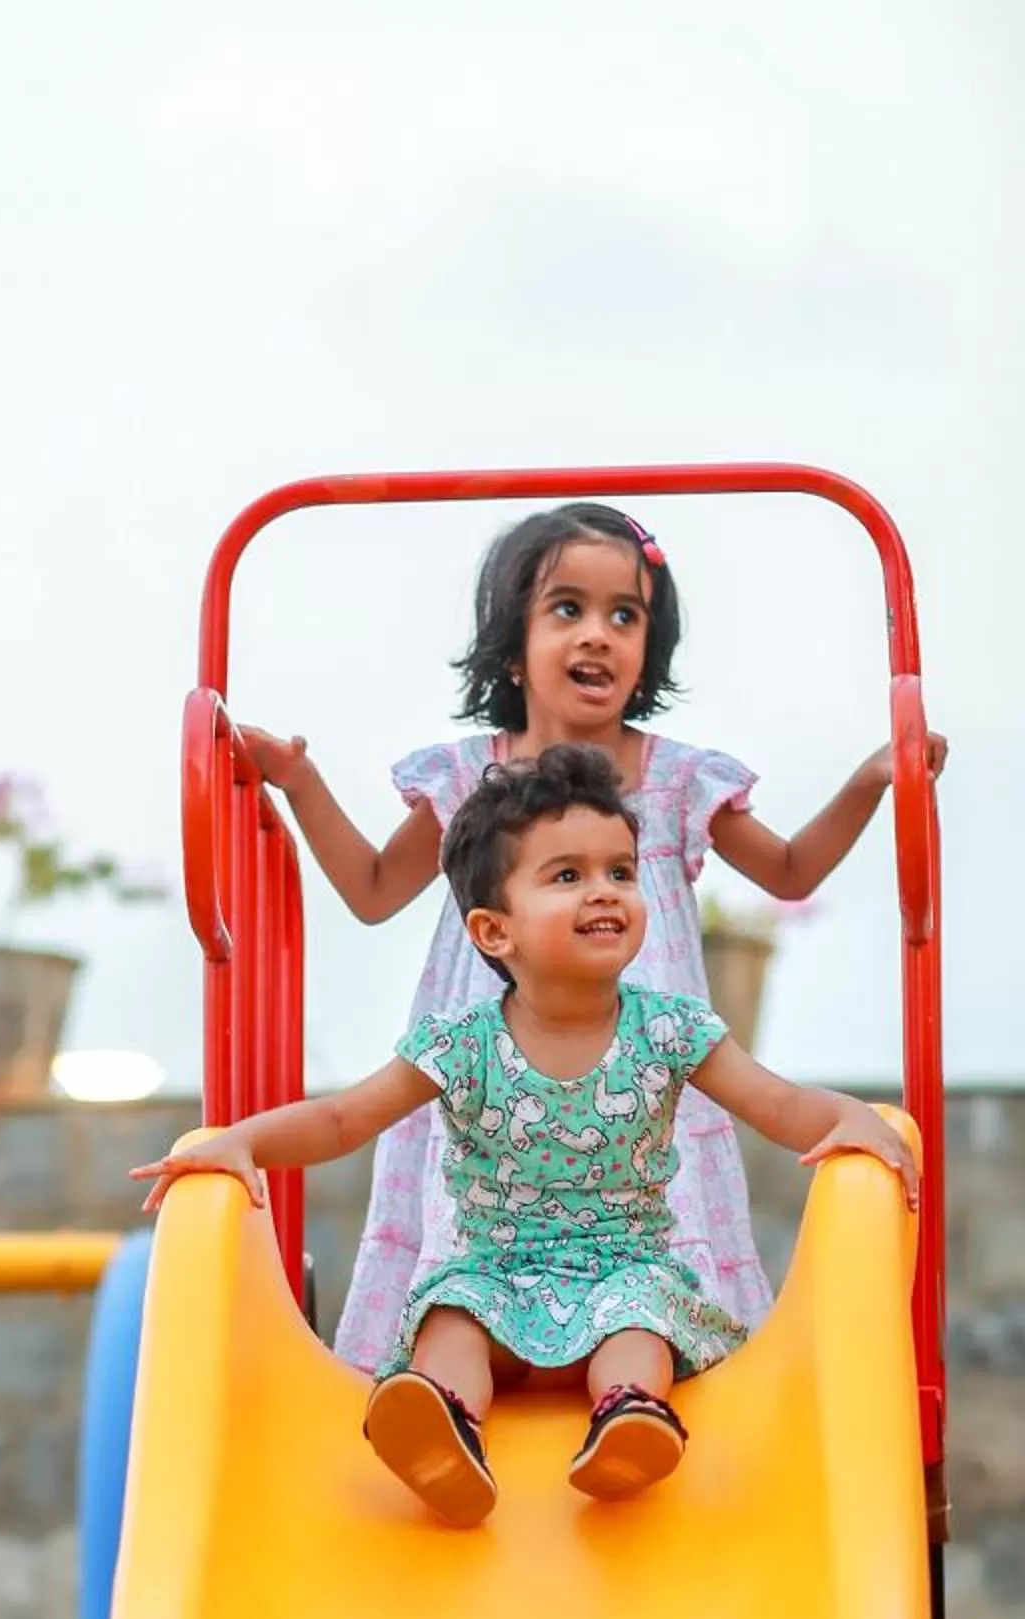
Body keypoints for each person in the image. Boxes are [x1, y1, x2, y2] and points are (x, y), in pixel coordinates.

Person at [234, 501, 946, 1374]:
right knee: (472, 1238)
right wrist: (301, 782)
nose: (599, 634)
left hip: (633, 1076)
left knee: (652, 1228)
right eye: (567, 609)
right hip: (498, 1068)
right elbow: (375, 891)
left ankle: (644, 1378)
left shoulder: (680, 779)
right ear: (513, 640)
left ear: (653, 645)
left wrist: (877, 777)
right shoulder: (467, 776)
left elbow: (791, 871)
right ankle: (450, 1382)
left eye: (626, 615)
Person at [131, 744, 918, 1528]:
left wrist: (847, 1116)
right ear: (493, 931)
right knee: (450, 1314)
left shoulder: (671, 1030)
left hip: (622, 1270)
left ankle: (630, 1419)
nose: (605, 892)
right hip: (497, 1276)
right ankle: (445, 1431)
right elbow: (345, 1118)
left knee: (639, 1317)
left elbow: (775, 1105)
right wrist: (243, 1142)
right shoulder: (462, 1042)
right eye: (567, 876)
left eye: (620, 870)